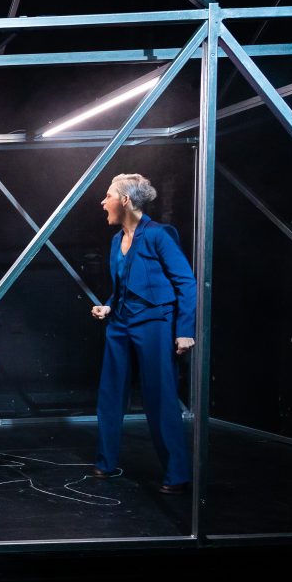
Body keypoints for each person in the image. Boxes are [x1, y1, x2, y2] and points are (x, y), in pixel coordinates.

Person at [90, 173, 197, 494]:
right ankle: (106, 462)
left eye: (108, 196)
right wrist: (109, 306)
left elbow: (186, 283)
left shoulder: (158, 235)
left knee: (159, 397)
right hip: (120, 323)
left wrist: (184, 330)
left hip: (154, 322)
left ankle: (177, 473)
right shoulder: (115, 241)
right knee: (110, 395)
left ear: (124, 201)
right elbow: (123, 285)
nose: (102, 202)